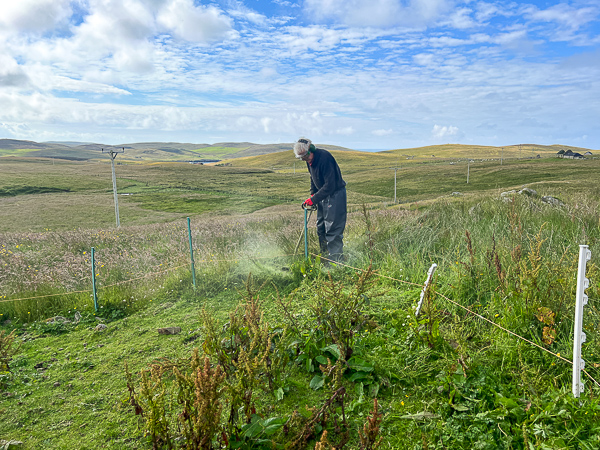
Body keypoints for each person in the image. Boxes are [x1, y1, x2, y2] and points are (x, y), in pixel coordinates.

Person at [293, 137, 347, 263]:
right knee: (321, 228)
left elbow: (330, 186)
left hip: (335, 195)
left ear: (311, 149)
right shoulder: (308, 160)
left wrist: (314, 199)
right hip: (322, 196)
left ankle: (336, 262)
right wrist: (313, 193)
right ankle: (325, 258)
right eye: (302, 159)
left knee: (332, 230)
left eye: (306, 157)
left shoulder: (324, 158)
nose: (306, 160)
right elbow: (313, 177)